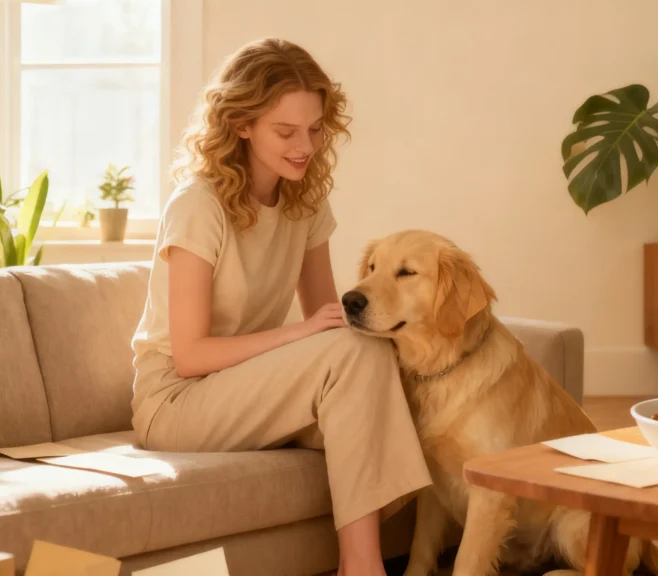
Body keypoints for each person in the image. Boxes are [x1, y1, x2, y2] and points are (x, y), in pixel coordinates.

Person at [129, 37, 433, 576]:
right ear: (241, 124)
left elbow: (335, 325)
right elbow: (190, 356)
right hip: (175, 402)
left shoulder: (306, 200)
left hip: (248, 388)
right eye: (285, 132)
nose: (305, 146)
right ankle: (363, 568)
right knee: (356, 370)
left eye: (315, 129)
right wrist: (298, 335)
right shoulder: (198, 205)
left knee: (379, 379)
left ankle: (371, 563)